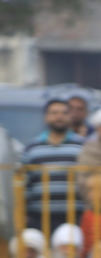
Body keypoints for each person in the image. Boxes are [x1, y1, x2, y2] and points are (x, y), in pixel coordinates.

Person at [22, 98, 86, 235]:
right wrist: (23, 213)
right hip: (38, 216)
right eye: (54, 113)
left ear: (70, 117)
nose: (59, 117)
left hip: (75, 216)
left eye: (64, 113)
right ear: (46, 117)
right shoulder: (32, 148)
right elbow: (24, 184)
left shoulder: (82, 146)